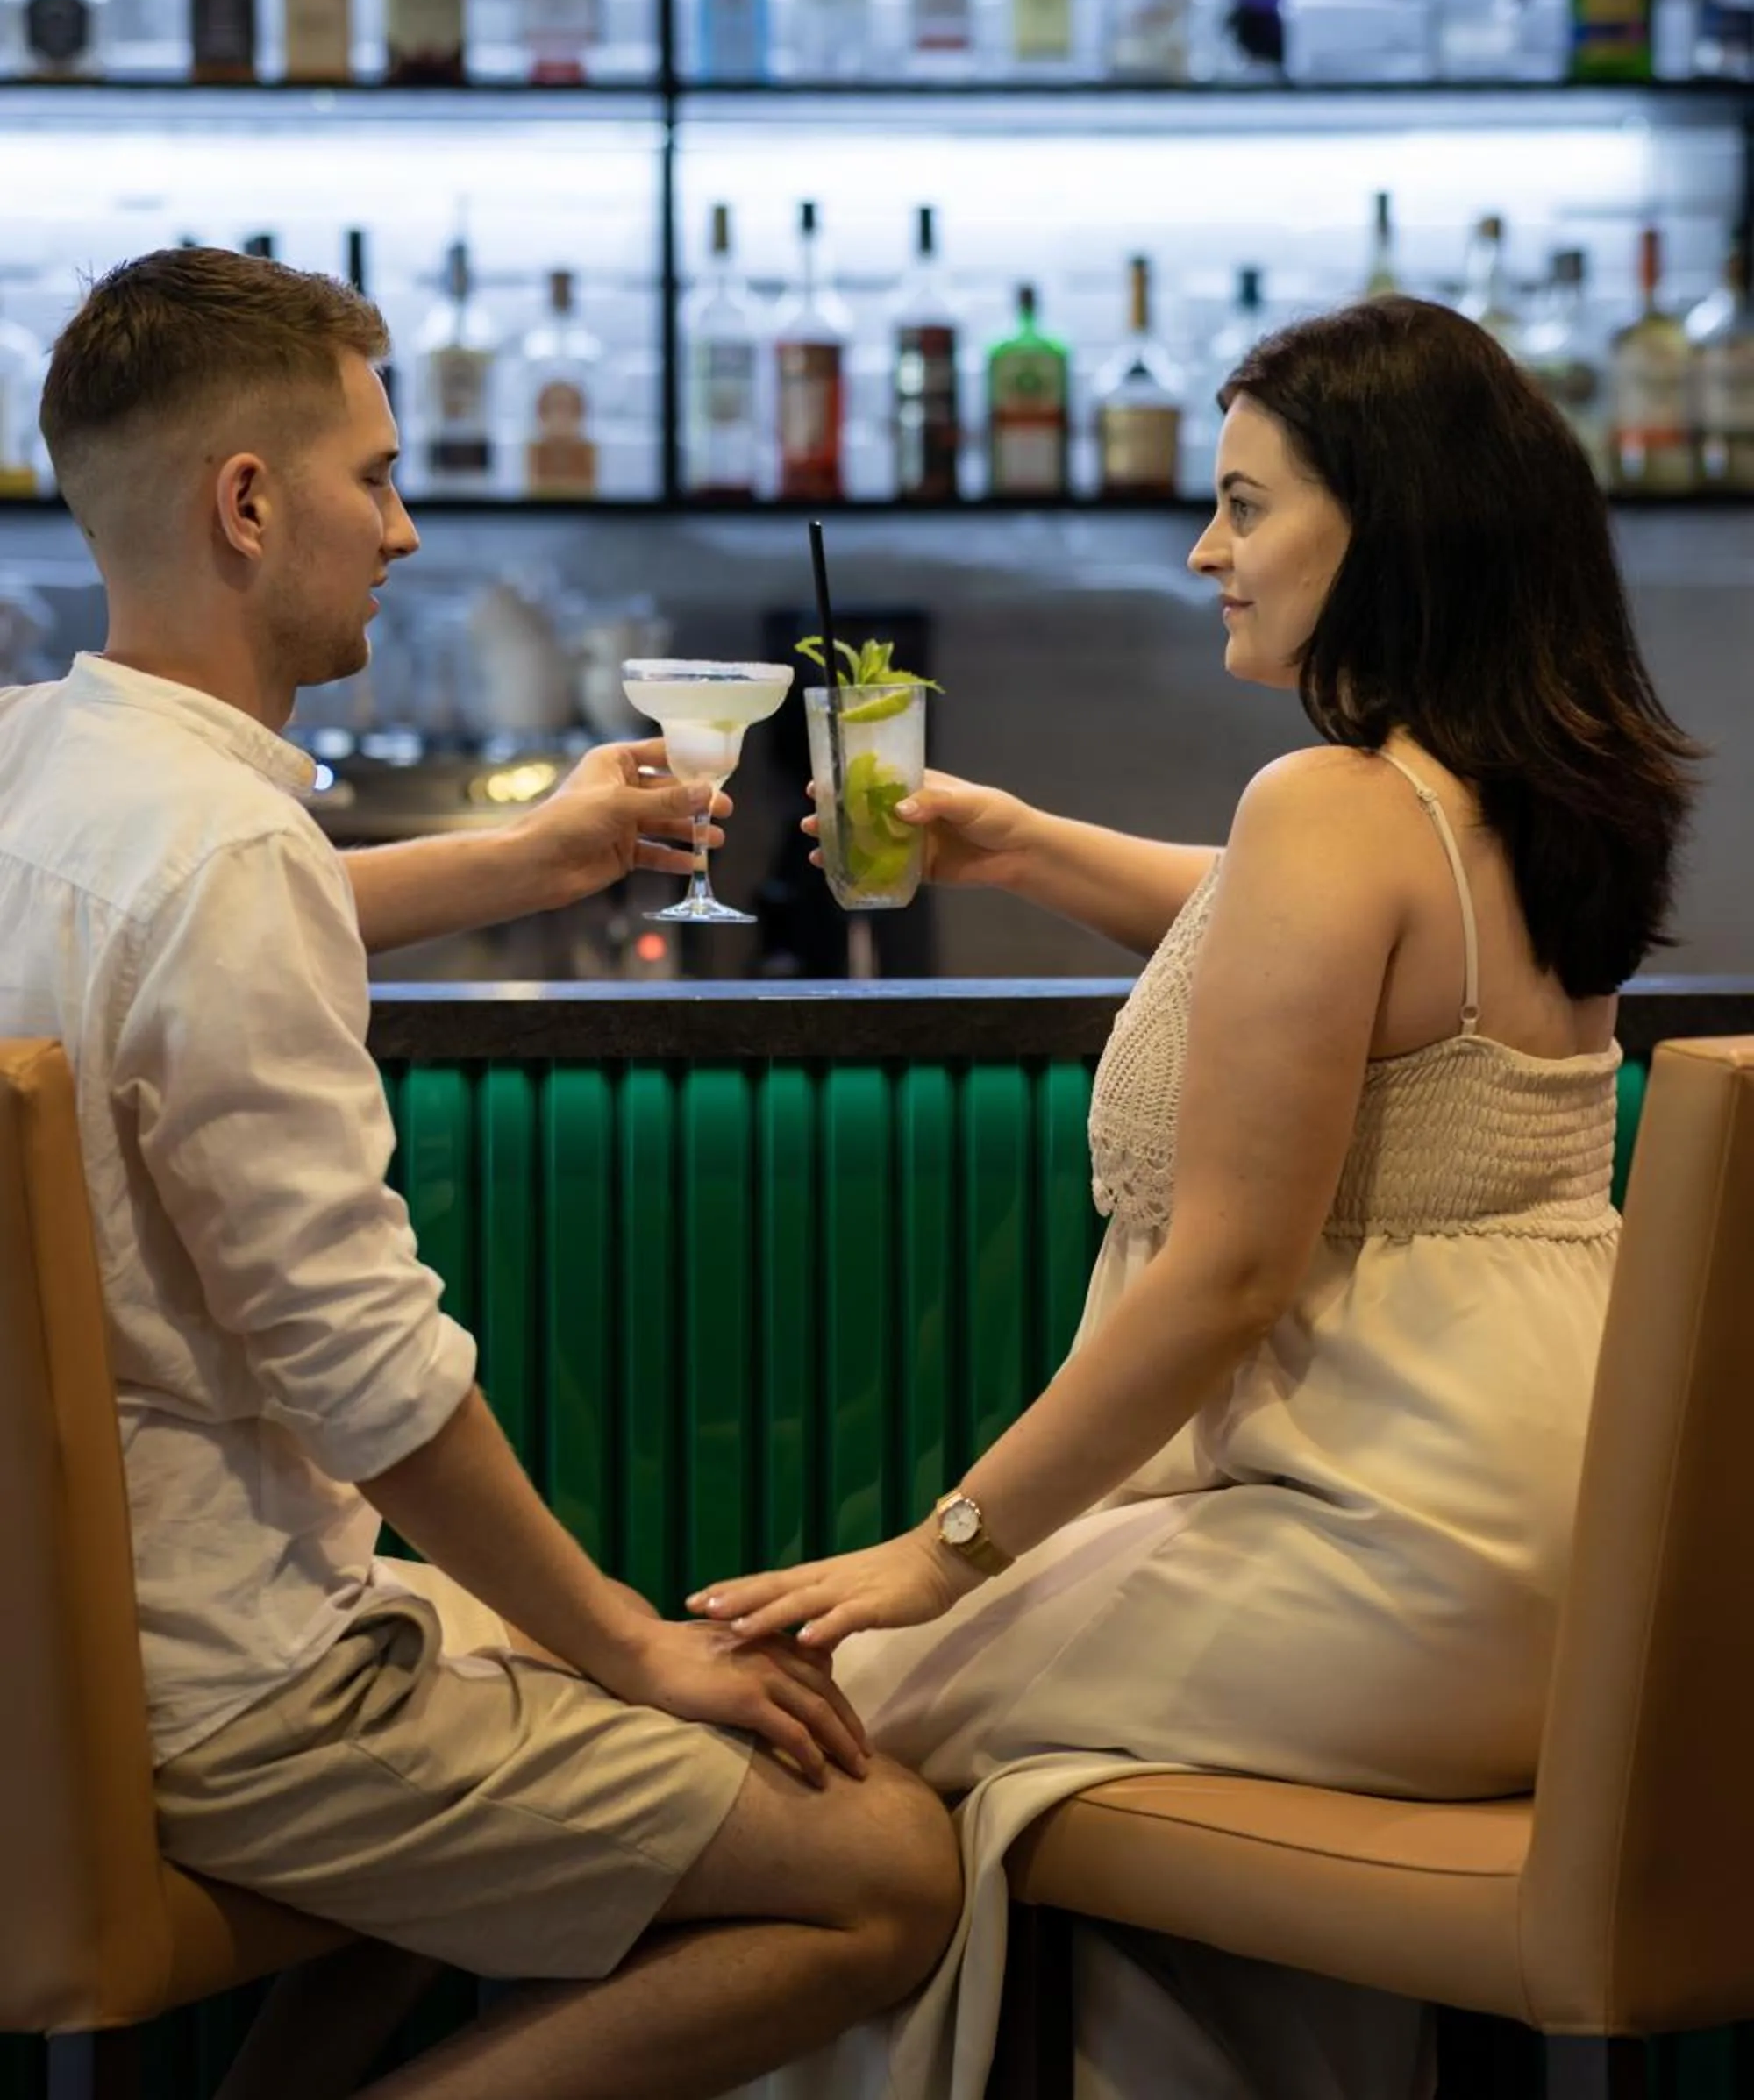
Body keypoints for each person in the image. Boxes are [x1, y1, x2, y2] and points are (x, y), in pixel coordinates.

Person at [689, 294, 1701, 2100]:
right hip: (1591, 1557)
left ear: (1378, 526)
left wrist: (939, 1554)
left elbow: (1226, 1276)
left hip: (1389, 1544)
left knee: (794, 1746)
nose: (1201, 546)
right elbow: (1304, 946)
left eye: (1244, 506)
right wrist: (1015, 843)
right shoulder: (1519, 794)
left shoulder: (1324, 803)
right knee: (1066, 1811)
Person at [0, 248, 959, 2100]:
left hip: (66, 1646)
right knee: (886, 1870)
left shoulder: (43, 766)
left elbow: (180, 946)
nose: (412, 530)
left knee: (518, 1722)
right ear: (248, 504)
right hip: (233, 1690)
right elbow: (364, 1366)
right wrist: (615, 1642)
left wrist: (527, 865)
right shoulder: (218, 856)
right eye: (374, 475)